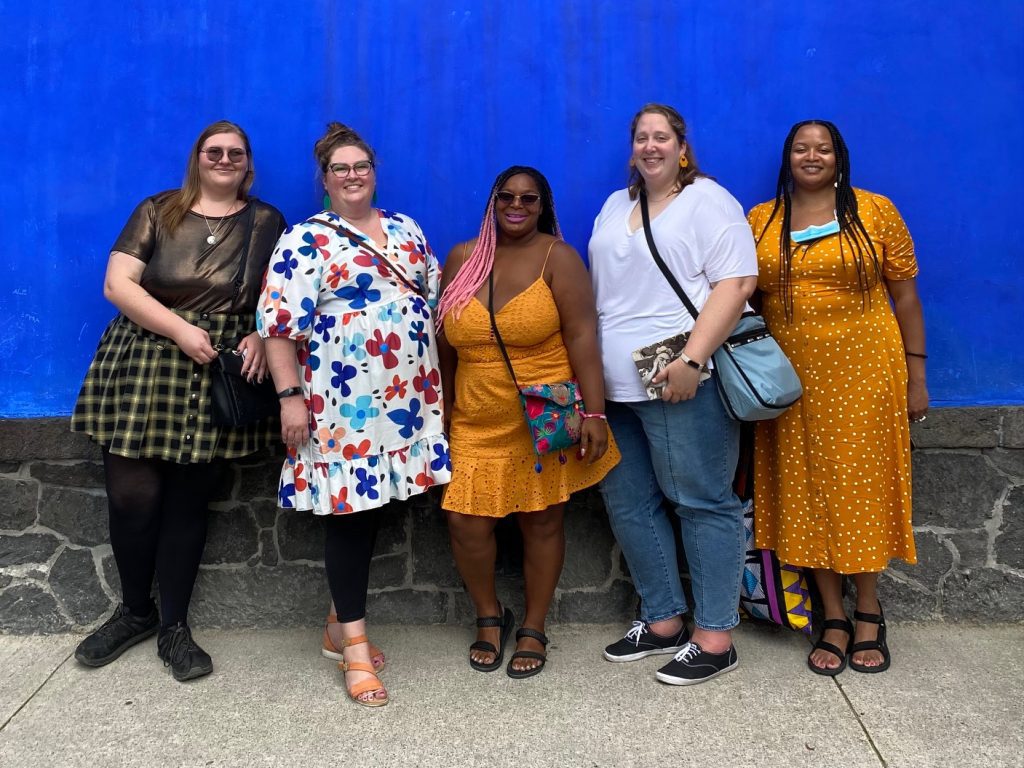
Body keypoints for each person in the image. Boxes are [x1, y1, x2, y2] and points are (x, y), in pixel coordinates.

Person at [71, 120, 286, 681]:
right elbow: (118, 285)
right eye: (213, 151)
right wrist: (179, 331)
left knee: (190, 502)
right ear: (197, 158)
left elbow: (282, 294)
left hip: (219, 368)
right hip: (148, 356)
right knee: (131, 497)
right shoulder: (158, 210)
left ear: (248, 164)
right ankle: (133, 612)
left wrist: (261, 333)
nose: (223, 159)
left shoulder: (266, 221)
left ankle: (174, 628)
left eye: (235, 153)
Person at [259, 122, 451, 707]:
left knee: (372, 511)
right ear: (324, 178)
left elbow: (435, 295)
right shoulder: (305, 239)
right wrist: (290, 397)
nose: (351, 176)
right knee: (348, 515)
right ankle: (357, 652)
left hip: (403, 398)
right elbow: (277, 326)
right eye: (339, 168)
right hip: (341, 400)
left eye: (360, 166)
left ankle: (335, 628)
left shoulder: (405, 228)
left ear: (374, 170)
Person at [749, 120, 927, 676]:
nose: (811, 156)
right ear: (787, 158)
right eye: (801, 148)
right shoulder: (762, 219)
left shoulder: (875, 212)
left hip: (866, 371)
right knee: (806, 487)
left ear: (839, 157)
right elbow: (734, 290)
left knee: (860, 483)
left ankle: (868, 608)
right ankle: (833, 614)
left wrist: (916, 376)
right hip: (790, 381)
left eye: (822, 148)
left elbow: (906, 297)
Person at [588, 104, 757, 686]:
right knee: (629, 503)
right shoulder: (617, 205)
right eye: (641, 137)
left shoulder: (709, 200)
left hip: (681, 379)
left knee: (703, 500)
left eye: (662, 137)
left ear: (682, 147)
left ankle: (715, 635)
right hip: (615, 387)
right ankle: (662, 619)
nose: (650, 146)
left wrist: (693, 358)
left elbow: (736, 283)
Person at [438, 166, 619, 679]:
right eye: (507, 197)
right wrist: (446, 410)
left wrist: (595, 412)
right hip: (475, 415)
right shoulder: (463, 257)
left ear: (543, 206)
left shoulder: (557, 258)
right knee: (465, 522)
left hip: (542, 413)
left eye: (529, 199)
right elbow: (445, 345)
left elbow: (583, 336)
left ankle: (534, 626)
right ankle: (489, 616)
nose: (517, 206)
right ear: (493, 202)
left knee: (542, 520)